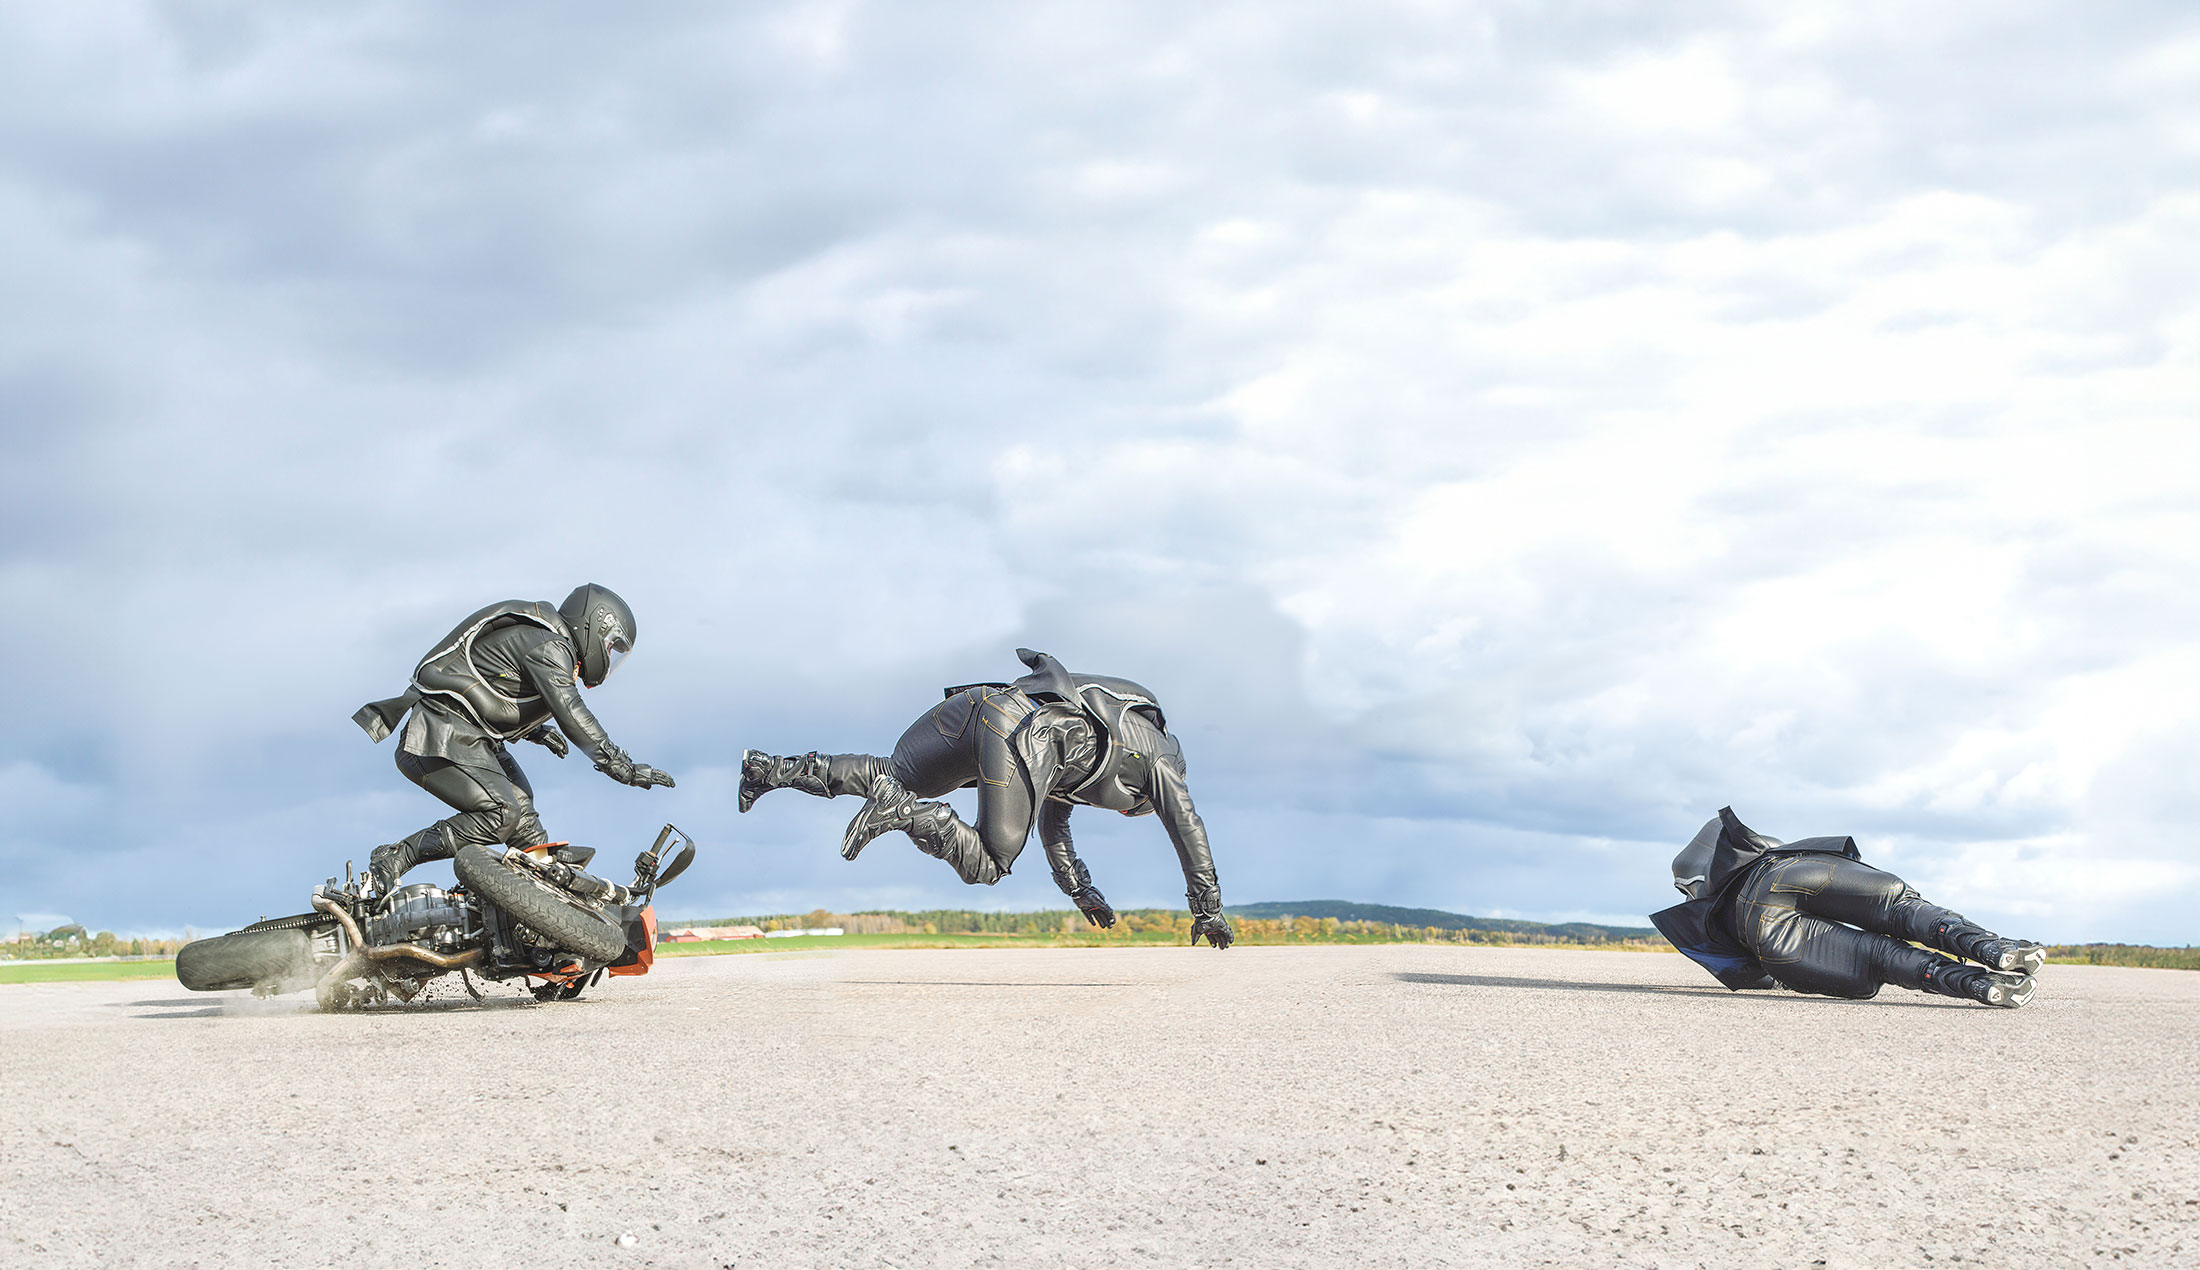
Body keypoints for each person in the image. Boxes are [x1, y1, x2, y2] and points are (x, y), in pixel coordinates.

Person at [739, 648, 1233, 949]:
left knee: (889, 772)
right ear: (1139, 803)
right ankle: (904, 811)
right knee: (990, 862)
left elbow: (1053, 826)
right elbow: (1187, 827)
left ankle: (767, 769)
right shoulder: (1159, 764)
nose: (1124, 813)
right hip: (1020, 730)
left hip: (977, 705)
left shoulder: (1086, 756)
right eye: (1131, 811)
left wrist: (1080, 891)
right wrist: (1207, 909)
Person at [351, 584, 674, 895]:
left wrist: (535, 731)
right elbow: (571, 710)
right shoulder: (549, 646)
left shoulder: (547, 645)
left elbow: (495, 687)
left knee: (525, 822)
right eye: (611, 646)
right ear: (593, 625)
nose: (608, 656)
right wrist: (621, 766)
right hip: (435, 736)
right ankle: (397, 855)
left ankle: (543, 904)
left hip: (468, 737)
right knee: (501, 814)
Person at [1651, 807, 2045, 1007]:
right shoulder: (1745, 845)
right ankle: (1994, 948)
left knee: (1878, 957)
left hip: (1758, 928)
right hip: (1791, 869)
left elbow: (1755, 977)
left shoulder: (1703, 915)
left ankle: (1980, 985)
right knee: (1901, 908)